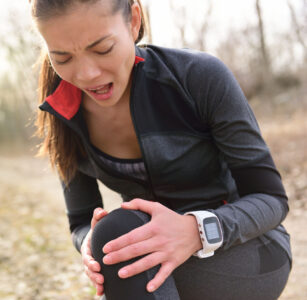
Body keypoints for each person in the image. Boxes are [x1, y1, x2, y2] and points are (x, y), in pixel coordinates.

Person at [30, 0, 292, 299]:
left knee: (121, 246)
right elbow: (80, 221)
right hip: (145, 261)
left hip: (242, 246)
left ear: (134, 20)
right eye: (62, 59)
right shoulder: (62, 109)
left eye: (102, 49)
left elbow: (271, 200)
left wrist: (196, 230)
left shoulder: (197, 77)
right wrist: (89, 243)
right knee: (115, 239)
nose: (87, 74)